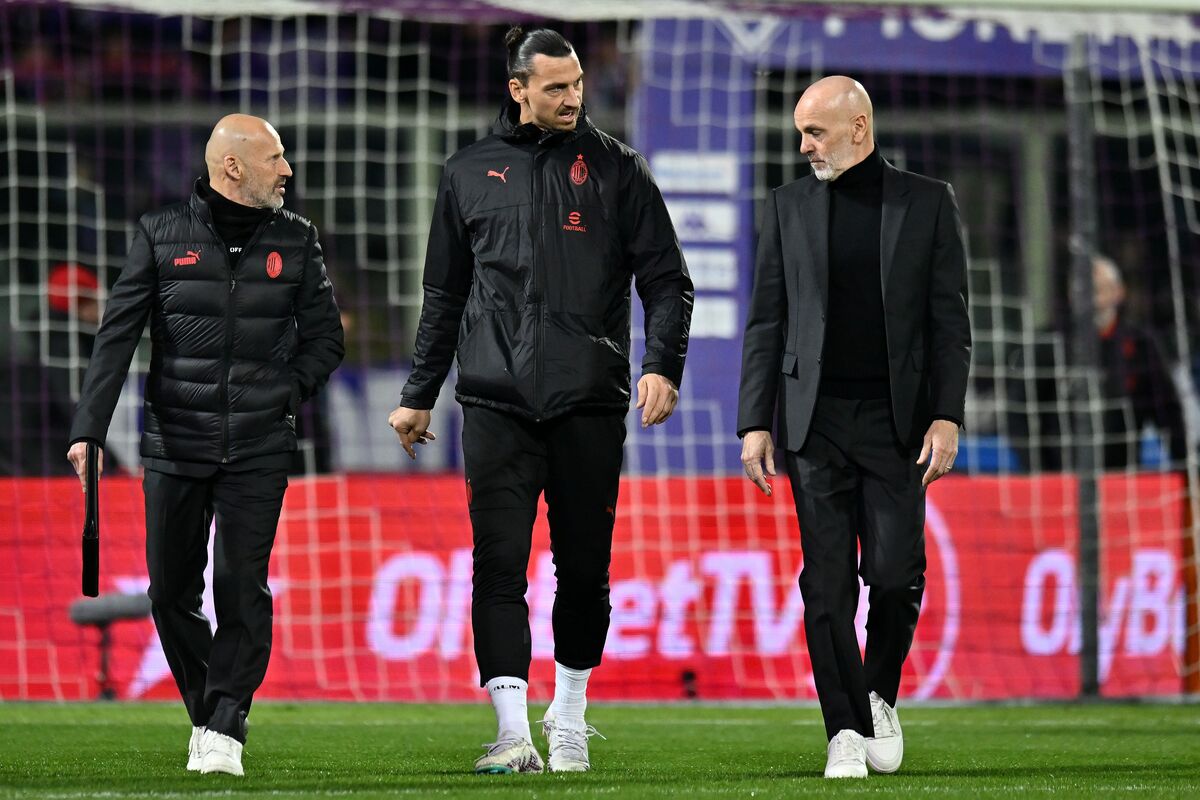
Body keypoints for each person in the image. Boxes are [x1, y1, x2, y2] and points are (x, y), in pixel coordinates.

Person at [388, 26, 692, 775]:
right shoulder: (466, 172)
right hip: (494, 403)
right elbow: (443, 295)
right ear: (517, 89)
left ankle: (570, 716)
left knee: (584, 573)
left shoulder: (618, 169)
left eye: (577, 83)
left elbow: (668, 281)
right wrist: (419, 394)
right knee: (498, 568)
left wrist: (663, 365)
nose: (572, 96)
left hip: (588, 402)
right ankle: (511, 732)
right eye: (556, 86)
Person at [66, 114, 344, 777]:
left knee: (241, 587)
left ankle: (225, 725)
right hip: (174, 442)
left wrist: (284, 393)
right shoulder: (160, 235)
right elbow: (116, 336)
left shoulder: (297, 238)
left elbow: (327, 339)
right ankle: (206, 711)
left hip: (260, 446)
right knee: (170, 595)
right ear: (233, 167)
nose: (287, 170)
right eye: (275, 158)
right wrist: (88, 430)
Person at [737, 77, 970, 779]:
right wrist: (755, 421)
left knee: (895, 577)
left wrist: (947, 414)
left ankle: (877, 697)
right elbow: (767, 320)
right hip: (814, 423)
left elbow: (950, 323)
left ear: (859, 128)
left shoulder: (928, 202)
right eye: (801, 134)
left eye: (816, 132)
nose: (804, 146)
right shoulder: (786, 206)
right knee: (827, 585)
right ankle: (842, 728)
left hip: (899, 426)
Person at [1006, 255, 1186, 471]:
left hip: (1122, 476)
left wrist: (1185, 469)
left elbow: (1168, 413)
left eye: (1098, 290)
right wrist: (1038, 472)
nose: (1090, 301)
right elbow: (1019, 412)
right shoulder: (1049, 343)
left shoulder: (1141, 345)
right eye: (1081, 292)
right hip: (1061, 474)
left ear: (1118, 292)